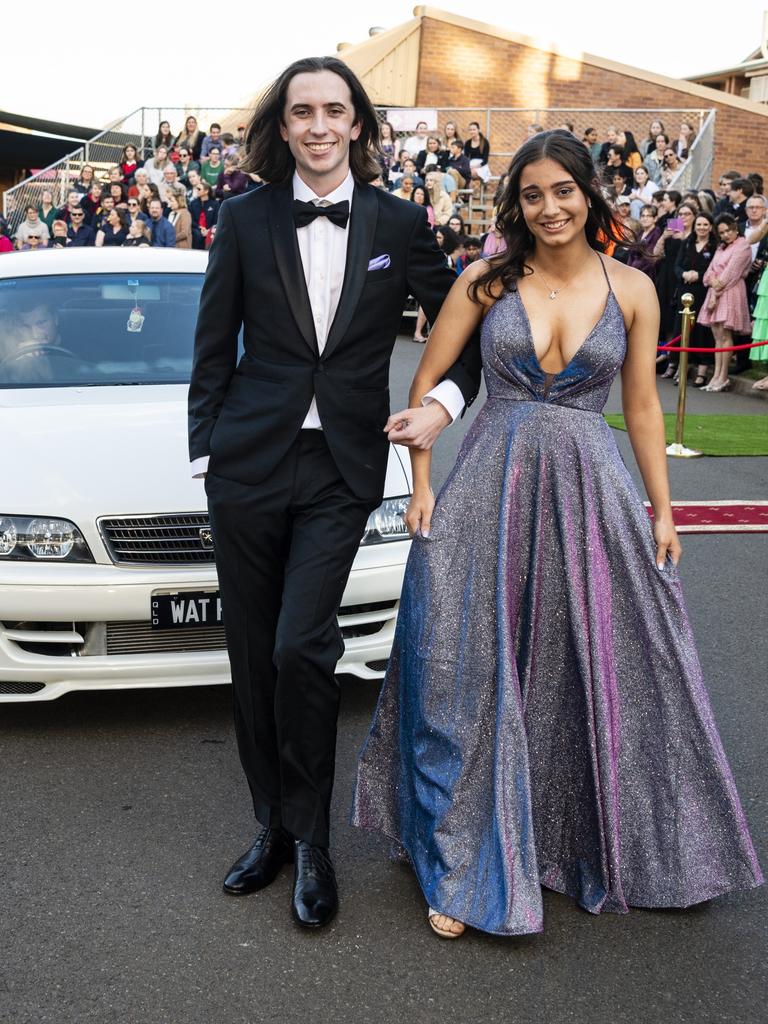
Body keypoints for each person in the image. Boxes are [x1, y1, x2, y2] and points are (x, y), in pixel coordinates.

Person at [352, 128, 763, 939]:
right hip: (487, 489)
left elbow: (642, 408)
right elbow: (428, 384)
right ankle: (463, 859)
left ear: (591, 192)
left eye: (564, 191)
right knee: (463, 673)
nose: (549, 208)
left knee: (602, 666)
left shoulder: (636, 290)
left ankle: (592, 841)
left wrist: (665, 509)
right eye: (533, 194)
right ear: (518, 202)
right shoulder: (484, 280)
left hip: (590, 492)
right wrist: (423, 487)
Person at [187, 55, 479, 932]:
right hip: (247, 464)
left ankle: (313, 841)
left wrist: (440, 403)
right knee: (249, 655)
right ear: (285, 127)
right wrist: (207, 459)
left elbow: (461, 328)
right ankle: (271, 827)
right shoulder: (242, 219)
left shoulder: (400, 220)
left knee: (299, 648)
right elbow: (211, 348)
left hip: (343, 467)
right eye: (302, 111)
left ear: (358, 124)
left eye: (335, 111)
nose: (318, 125)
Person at [697, 214, 753, 391]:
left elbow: (731, 274)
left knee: (726, 335)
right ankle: (715, 376)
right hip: (716, 292)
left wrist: (715, 291)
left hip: (731, 292)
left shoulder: (743, 245)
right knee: (717, 337)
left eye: (729, 230)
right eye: (722, 232)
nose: (726, 234)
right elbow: (708, 273)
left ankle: (723, 376)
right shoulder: (721, 247)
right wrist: (714, 286)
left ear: (736, 229)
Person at [674, 212, 716, 386]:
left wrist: (698, 275)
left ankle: (702, 371)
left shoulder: (715, 246)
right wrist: (683, 273)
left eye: (705, 225)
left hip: (703, 292)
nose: (701, 228)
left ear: (711, 227)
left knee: (701, 332)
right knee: (682, 331)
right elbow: (676, 265)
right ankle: (680, 367)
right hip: (684, 291)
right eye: (699, 224)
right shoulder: (687, 243)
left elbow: (715, 268)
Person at [627, 204, 661, 280]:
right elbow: (631, 254)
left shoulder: (656, 234)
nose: (645, 218)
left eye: (648, 216)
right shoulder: (640, 232)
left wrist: (634, 271)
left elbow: (649, 258)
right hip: (632, 272)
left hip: (645, 275)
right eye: (642, 216)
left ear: (655, 219)